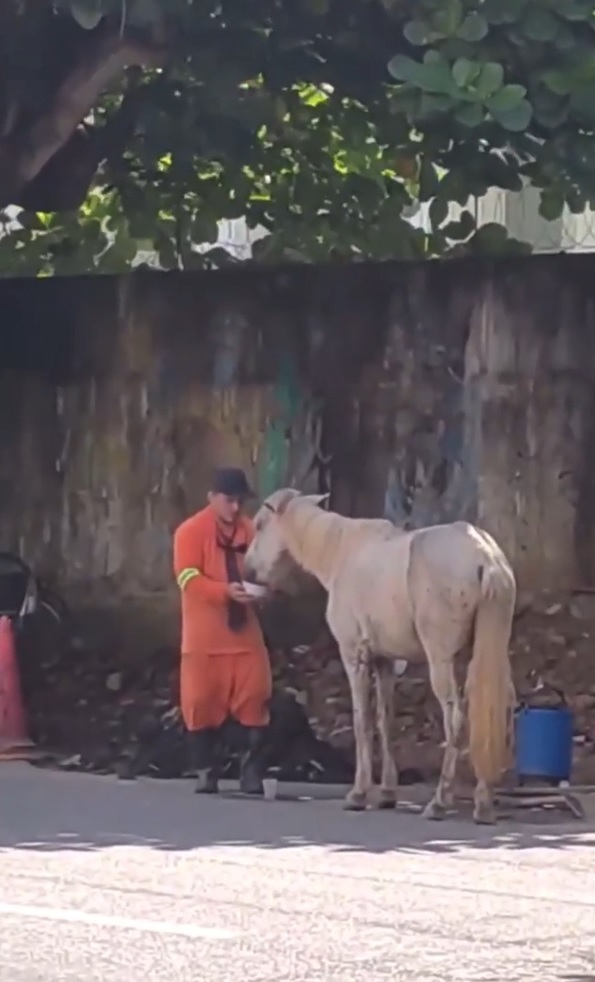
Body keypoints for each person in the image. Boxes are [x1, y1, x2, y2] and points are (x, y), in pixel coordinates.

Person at [173, 467, 272, 795]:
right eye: (229, 500)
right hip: (203, 639)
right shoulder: (190, 532)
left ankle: (251, 772)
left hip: (245, 635)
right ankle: (206, 770)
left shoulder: (251, 531)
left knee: (256, 696)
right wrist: (223, 592)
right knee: (200, 703)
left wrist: (264, 591)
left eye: (240, 501)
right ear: (212, 498)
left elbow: (264, 571)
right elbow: (186, 578)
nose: (235, 508)